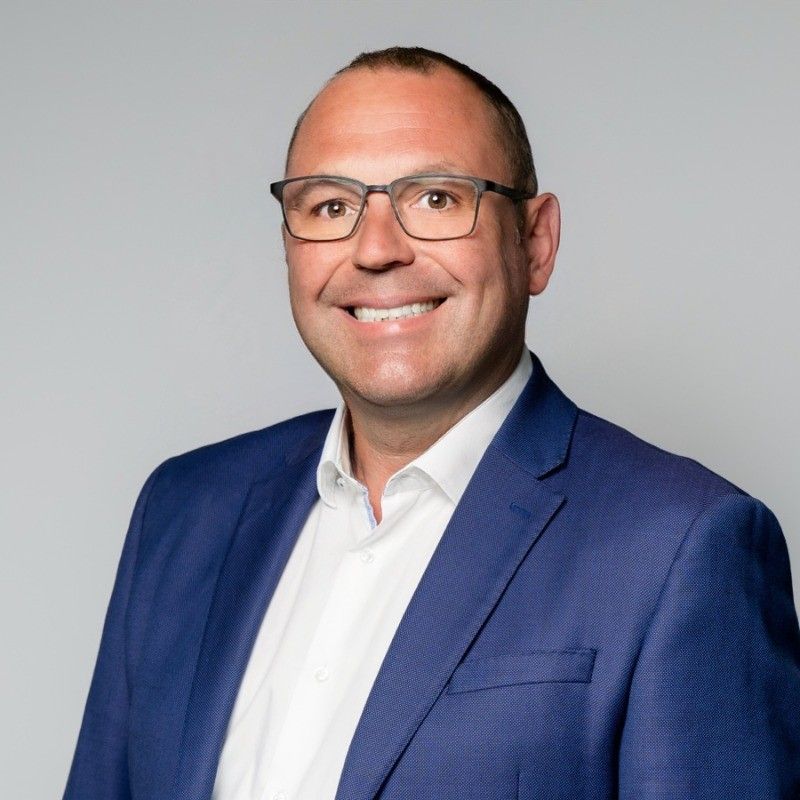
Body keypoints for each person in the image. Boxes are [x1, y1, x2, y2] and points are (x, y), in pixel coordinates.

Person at [64, 46, 800, 800]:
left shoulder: (683, 547)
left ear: (535, 242)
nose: (377, 249)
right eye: (331, 206)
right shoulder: (183, 511)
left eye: (437, 199)